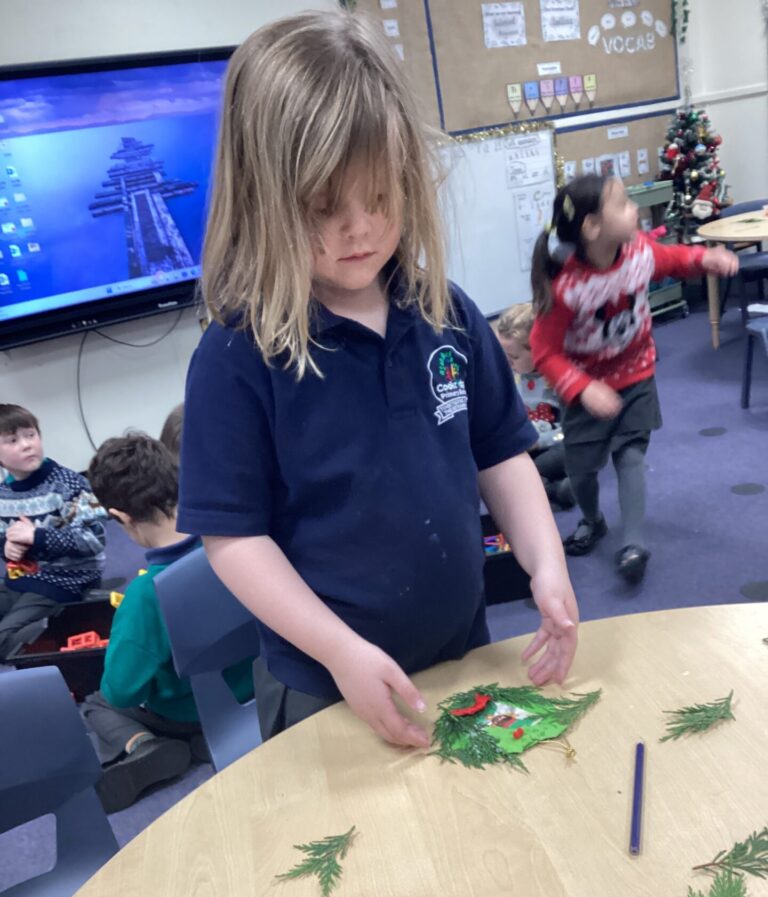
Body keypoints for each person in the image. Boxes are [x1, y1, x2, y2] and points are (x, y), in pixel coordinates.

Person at [178, 9, 578, 750]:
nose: (359, 228)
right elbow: (233, 539)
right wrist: (340, 651)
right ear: (265, 199)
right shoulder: (237, 356)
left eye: (381, 196)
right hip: (325, 684)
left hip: (459, 652)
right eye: (323, 206)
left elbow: (500, 455)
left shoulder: (445, 312)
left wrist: (546, 563)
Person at [529, 174, 737, 583]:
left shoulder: (638, 252)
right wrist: (583, 388)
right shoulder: (567, 286)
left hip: (636, 373)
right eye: (623, 204)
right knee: (582, 472)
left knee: (630, 455)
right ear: (592, 227)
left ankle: (634, 544)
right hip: (586, 392)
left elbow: (670, 259)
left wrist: (704, 259)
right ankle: (593, 520)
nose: (635, 209)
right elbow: (545, 352)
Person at [82, 433, 255, 812]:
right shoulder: (240, 546)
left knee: (96, 703)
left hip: (184, 711)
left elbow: (122, 692)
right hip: (255, 690)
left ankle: (144, 744)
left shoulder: (145, 596)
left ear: (121, 518)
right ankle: (209, 738)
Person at [0, 403, 106, 660]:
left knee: (2, 640)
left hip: (65, 579)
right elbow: (3, 537)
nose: (27, 445)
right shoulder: (3, 492)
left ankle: (51, 637)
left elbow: (94, 538)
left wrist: (37, 537)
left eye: (31, 435)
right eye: (13, 440)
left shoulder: (69, 484)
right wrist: (6, 546)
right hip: (21, 579)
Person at [494, 304, 574, 512]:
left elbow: (572, 430)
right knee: (506, 471)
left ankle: (561, 491)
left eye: (514, 357)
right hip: (534, 445)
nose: (509, 363)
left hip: (563, 445)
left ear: (538, 349)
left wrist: (539, 441)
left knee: (528, 474)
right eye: (505, 357)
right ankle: (555, 486)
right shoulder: (518, 377)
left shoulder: (559, 380)